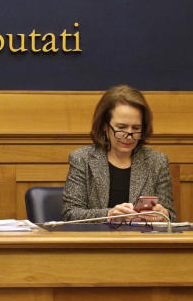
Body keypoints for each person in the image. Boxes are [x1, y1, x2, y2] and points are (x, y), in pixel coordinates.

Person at [63, 85, 175, 222]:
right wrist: (109, 215)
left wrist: (163, 215)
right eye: (121, 128)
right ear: (105, 126)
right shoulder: (82, 159)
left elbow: (172, 218)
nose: (129, 136)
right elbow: (70, 214)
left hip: (143, 241)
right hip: (96, 241)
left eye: (136, 128)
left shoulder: (157, 162)